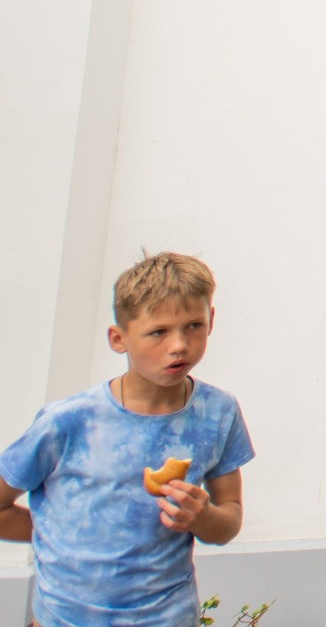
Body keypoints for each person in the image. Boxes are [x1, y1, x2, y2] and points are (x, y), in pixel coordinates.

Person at [0, 253, 253, 627]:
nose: (180, 345)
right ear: (119, 339)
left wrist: (204, 517)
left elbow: (229, 518)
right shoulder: (68, 422)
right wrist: (67, 531)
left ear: (212, 321)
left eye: (194, 326)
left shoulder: (218, 413)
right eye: (159, 332)